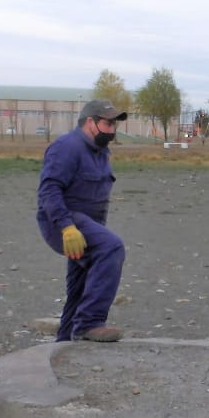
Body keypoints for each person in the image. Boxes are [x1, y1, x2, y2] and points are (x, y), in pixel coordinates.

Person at [37, 99, 128, 342]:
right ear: (90, 122)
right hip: (62, 222)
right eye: (108, 123)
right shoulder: (67, 147)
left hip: (88, 225)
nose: (112, 129)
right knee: (111, 248)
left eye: (114, 124)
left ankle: (64, 343)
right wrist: (66, 227)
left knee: (81, 285)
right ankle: (90, 322)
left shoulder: (100, 152)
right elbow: (49, 190)